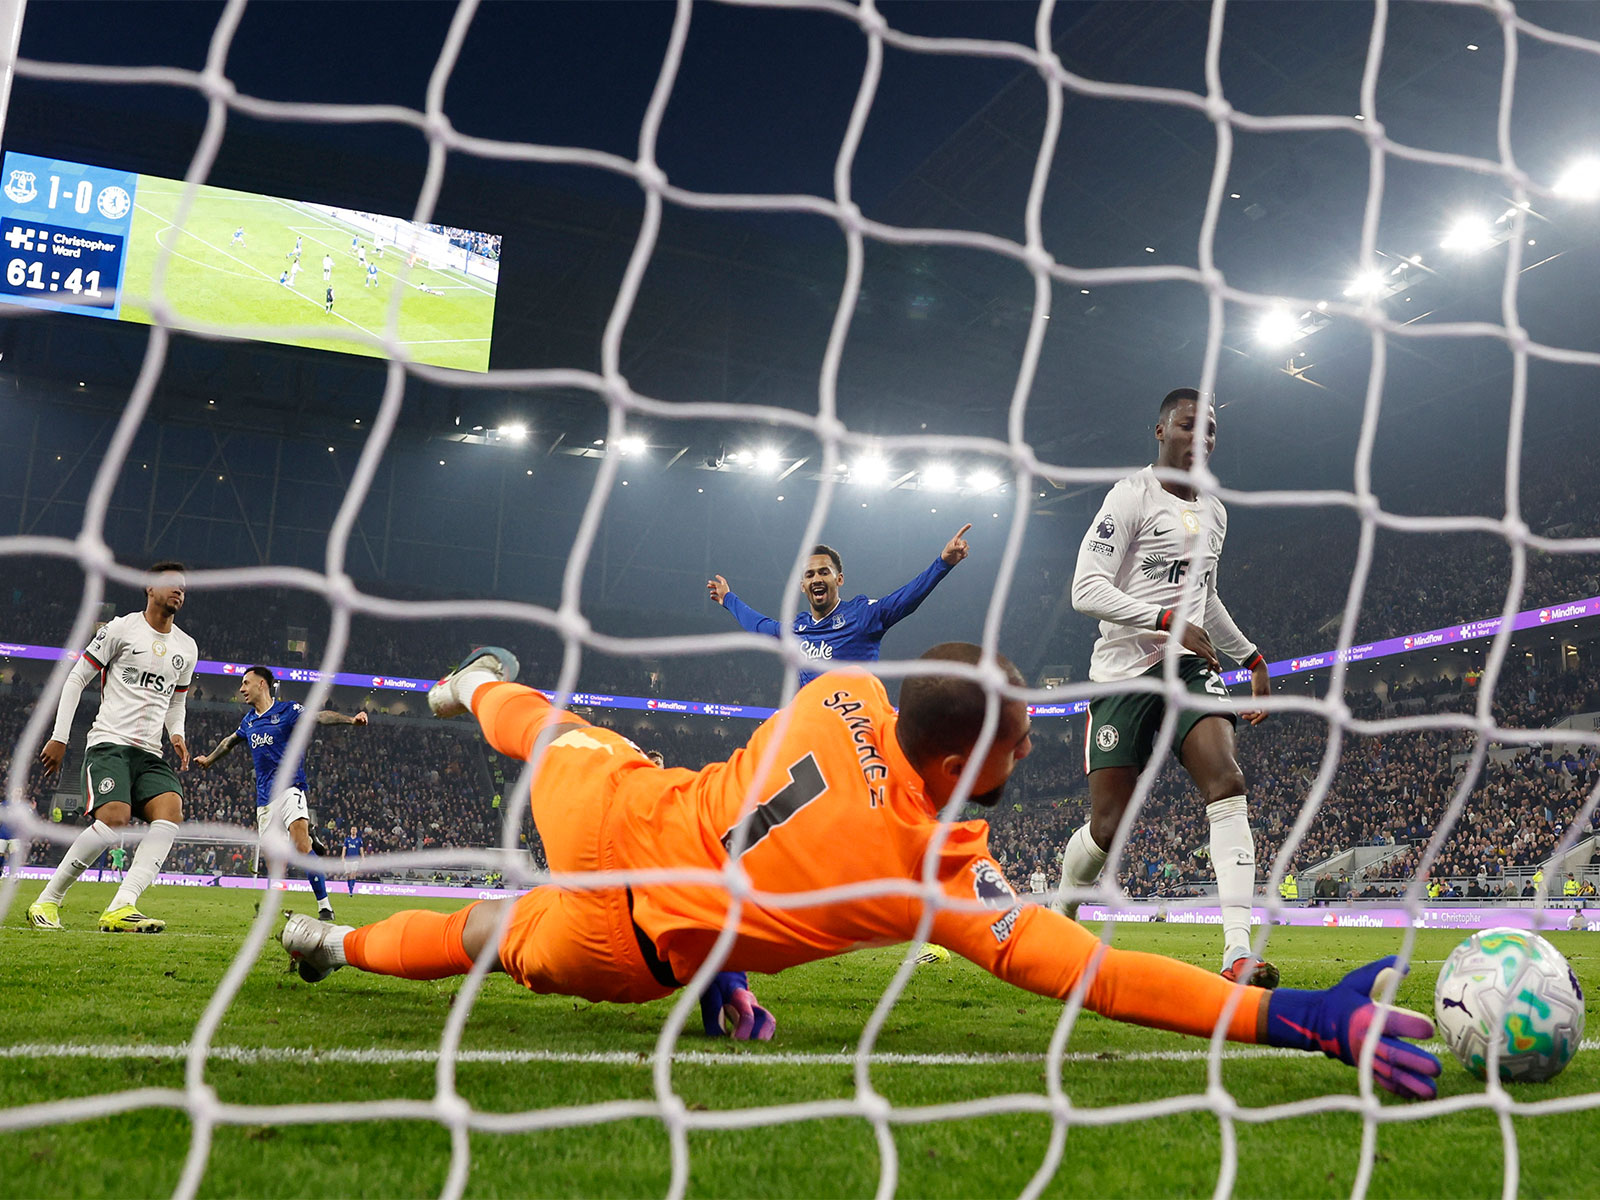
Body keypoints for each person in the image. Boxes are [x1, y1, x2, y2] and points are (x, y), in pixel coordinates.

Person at [280, 644, 1441, 1098]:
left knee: (556, 733)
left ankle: (468, 683)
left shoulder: (844, 693)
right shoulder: (928, 872)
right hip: (627, 943)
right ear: (949, 763)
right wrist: (1280, 1012)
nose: (1029, 755)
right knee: (491, 938)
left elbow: (927, 679)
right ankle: (331, 945)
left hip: (633, 815)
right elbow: (1091, 971)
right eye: (1012, 747)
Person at [1054, 388, 1276, 988]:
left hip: (1186, 666)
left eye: (1210, 432)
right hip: (1122, 672)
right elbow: (1084, 589)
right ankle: (1064, 908)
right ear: (1159, 432)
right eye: (1187, 427)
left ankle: (1237, 953)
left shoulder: (1216, 512)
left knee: (1226, 780)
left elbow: (1205, 597)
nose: (1200, 440)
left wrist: (1249, 654)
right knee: (1108, 826)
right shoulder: (1129, 497)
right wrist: (1161, 619)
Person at [28, 563, 196, 932]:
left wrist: (177, 734)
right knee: (115, 818)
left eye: (183, 587)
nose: (179, 591)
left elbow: (176, 703)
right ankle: (47, 901)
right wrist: (60, 736)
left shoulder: (187, 647)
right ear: (149, 589)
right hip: (111, 744)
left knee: (171, 812)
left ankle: (123, 906)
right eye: (171, 584)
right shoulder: (120, 628)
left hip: (150, 753)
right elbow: (76, 678)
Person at [192, 666, 367, 921]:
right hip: (265, 799)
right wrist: (209, 760)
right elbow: (230, 741)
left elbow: (320, 717)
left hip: (290, 788)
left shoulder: (288, 711)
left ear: (261, 684)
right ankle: (309, 837)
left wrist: (351, 720)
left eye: (245, 683)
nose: (241, 689)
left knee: (301, 845)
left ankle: (325, 907)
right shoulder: (249, 720)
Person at [706, 528, 971, 688]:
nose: (817, 579)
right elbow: (759, 625)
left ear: (839, 579)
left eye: (824, 572)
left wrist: (942, 564)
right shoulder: (797, 629)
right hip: (817, 735)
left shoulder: (862, 615)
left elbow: (904, 600)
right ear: (802, 585)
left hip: (859, 733)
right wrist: (728, 599)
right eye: (809, 575)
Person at [341, 825, 364, 895]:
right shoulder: (347, 839)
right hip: (348, 859)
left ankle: (351, 891)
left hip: (355, 860)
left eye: (355, 829)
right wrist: (342, 857)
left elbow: (361, 849)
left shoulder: (359, 840)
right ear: (350, 831)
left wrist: (363, 857)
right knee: (348, 875)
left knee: (353, 874)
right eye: (352, 829)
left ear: (356, 831)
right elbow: (344, 848)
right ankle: (349, 888)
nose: (353, 831)